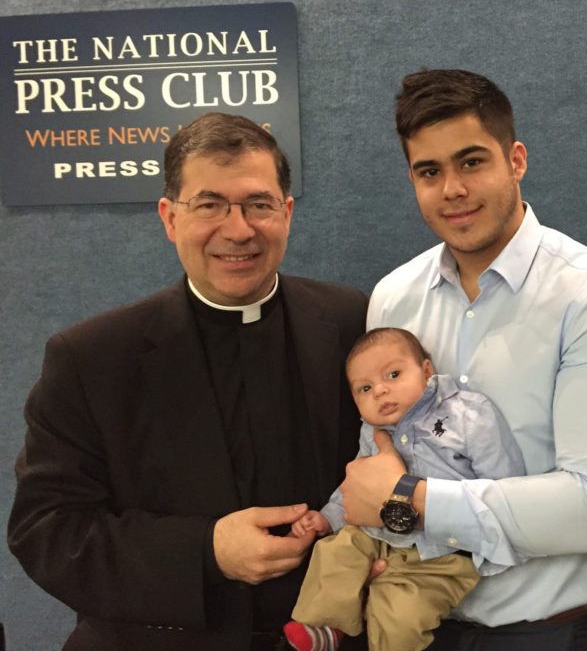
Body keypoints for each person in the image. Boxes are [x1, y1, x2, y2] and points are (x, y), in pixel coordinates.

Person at [7, 113, 368, 651]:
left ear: (287, 213)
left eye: (258, 204)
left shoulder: (352, 323)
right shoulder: (90, 357)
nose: (238, 228)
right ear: (170, 218)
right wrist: (206, 551)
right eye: (209, 204)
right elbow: (47, 532)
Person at [337, 68, 587, 651]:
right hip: (416, 626)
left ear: (516, 159)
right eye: (428, 172)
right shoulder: (392, 298)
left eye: (471, 162)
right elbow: (383, 456)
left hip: (549, 635)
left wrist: (412, 500)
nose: (452, 189)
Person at [284, 327, 526, 651]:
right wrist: (327, 519)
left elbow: (504, 486)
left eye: (394, 374)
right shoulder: (373, 431)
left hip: (443, 553)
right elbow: (357, 482)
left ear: (427, 371)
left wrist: (491, 541)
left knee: (400, 611)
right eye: (365, 388)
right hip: (377, 535)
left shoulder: (467, 413)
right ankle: (327, 624)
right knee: (337, 550)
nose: (380, 391)